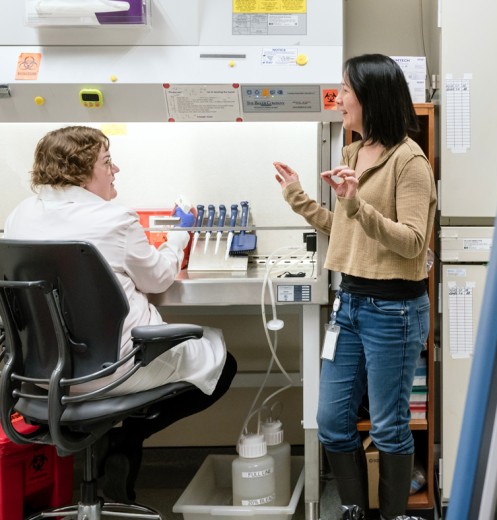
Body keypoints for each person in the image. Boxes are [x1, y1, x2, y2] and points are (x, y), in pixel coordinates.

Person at [3, 125, 237, 503]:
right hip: (113, 369)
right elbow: (160, 278)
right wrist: (179, 236)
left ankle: (114, 436)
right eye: (107, 162)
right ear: (78, 170)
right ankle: (128, 436)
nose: (116, 170)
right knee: (221, 362)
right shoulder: (115, 219)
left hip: (40, 376)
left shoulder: (19, 217)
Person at [272, 54, 436, 520]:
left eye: (345, 89)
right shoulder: (351, 151)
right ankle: (354, 512)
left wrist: (357, 204)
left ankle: (393, 515)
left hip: (395, 310)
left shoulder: (410, 161)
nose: (339, 98)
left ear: (371, 96)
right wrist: (299, 198)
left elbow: (412, 243)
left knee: (388, 428)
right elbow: (347, 230)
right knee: (331, 423)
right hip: (350, 303)